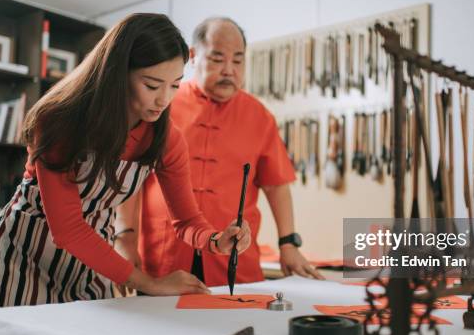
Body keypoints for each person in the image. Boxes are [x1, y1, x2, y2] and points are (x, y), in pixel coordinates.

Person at [0, 13, 251, 308]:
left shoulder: (166, 139)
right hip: (27, 256)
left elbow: (187, 221)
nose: (164, 99)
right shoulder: (60, 121)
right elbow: (68, 229)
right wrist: (148, 282)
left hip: (96, 263)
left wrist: (216, 240)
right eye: (152, 85)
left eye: (174, 85)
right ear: (117, 74)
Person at [115, 17, 323, 287]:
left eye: (237, 60)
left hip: (234, 259)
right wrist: (126, 237)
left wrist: (288, 244)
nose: (228, 70)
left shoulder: (260, 117)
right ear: (192, 56)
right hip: (162, 256)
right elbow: (131, 177)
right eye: (217, 59)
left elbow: (276, 186)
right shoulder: (160, 105)